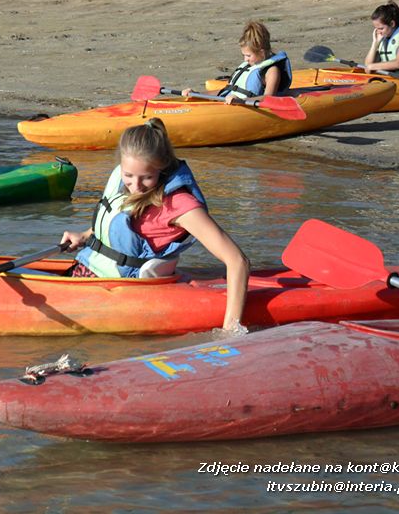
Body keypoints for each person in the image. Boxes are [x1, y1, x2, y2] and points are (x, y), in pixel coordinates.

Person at [59, 118, 250, 333]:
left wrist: (230, 330)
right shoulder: (122, 178)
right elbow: (117, 226)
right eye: (128, 175)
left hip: (119, 294)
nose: (136, 186)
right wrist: (85, 235)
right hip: (85, 274)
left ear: (162, 167)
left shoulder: (179, 205)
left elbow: (238, 261)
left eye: (147, 177)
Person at [183, 20, 292, 105]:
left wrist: (241, 101)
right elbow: (226, 91)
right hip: (231, 103)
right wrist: (197, 94)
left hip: (245, 105)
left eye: (248, 56)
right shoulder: (250, 65)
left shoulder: (272, 71)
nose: (245, 60)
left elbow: (269, 98)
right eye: (243, 55)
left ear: (261, 52)